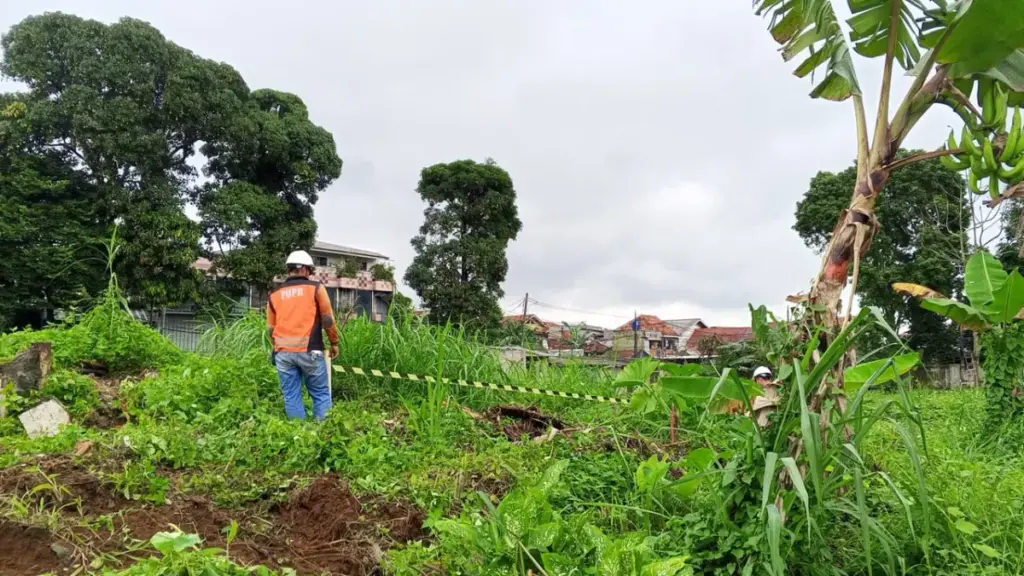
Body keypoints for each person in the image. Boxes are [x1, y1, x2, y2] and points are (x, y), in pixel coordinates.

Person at [266, 250, 340, 421]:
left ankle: (300, 436)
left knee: (291, 395)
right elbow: (327, 319)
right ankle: (322, 433)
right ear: (307, 269)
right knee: (320, 393)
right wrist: (334, 342)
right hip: (310, 350)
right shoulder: (316, 288)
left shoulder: (274, 295)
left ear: (289, 269)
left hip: (283, 353)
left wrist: (278, 345)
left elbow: (271, 329)